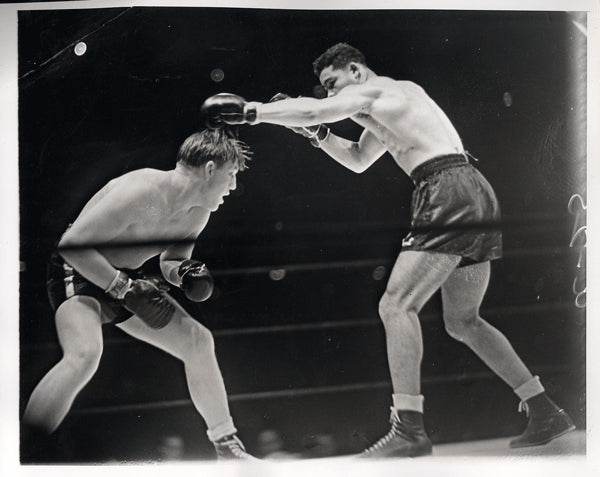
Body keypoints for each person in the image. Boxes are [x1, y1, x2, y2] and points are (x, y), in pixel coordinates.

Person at [200, 43, 576, 457]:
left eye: (333, 84)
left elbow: (312, 110)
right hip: (470, 190)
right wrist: (317, 133)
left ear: (356, 71)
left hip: (446, 192)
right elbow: (359, 158)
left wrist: (252, 111)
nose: (330, 96)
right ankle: (544, 409)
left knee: (395, 305)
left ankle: (409, 428)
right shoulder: (395, 101)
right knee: (464, 320)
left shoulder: (380, 91)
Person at [22, 128, 256, 461]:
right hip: (79, 271)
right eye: (230, 175)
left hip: (127, 280)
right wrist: (123, 288)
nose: (232, 186)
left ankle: (228, 448)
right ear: (209, 169)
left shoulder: (198, 211)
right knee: (84, 355)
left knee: (198, 342)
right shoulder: (141, 190)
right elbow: (72, 247)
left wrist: (186, 274)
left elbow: (171, 260)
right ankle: (23, 451)